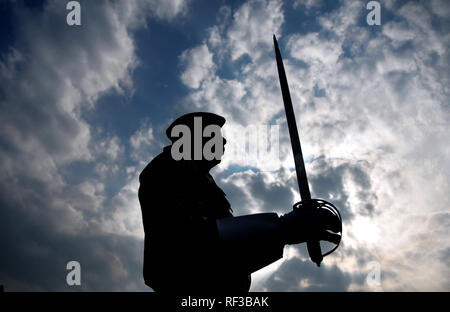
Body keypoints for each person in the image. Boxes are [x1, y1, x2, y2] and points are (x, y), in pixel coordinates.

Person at [138, 112, 341, 292]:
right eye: (214, 136)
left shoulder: (199, 177)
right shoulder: (167, 169)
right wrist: (282, 229)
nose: (223, 142)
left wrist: (282, 231)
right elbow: (187, 241)